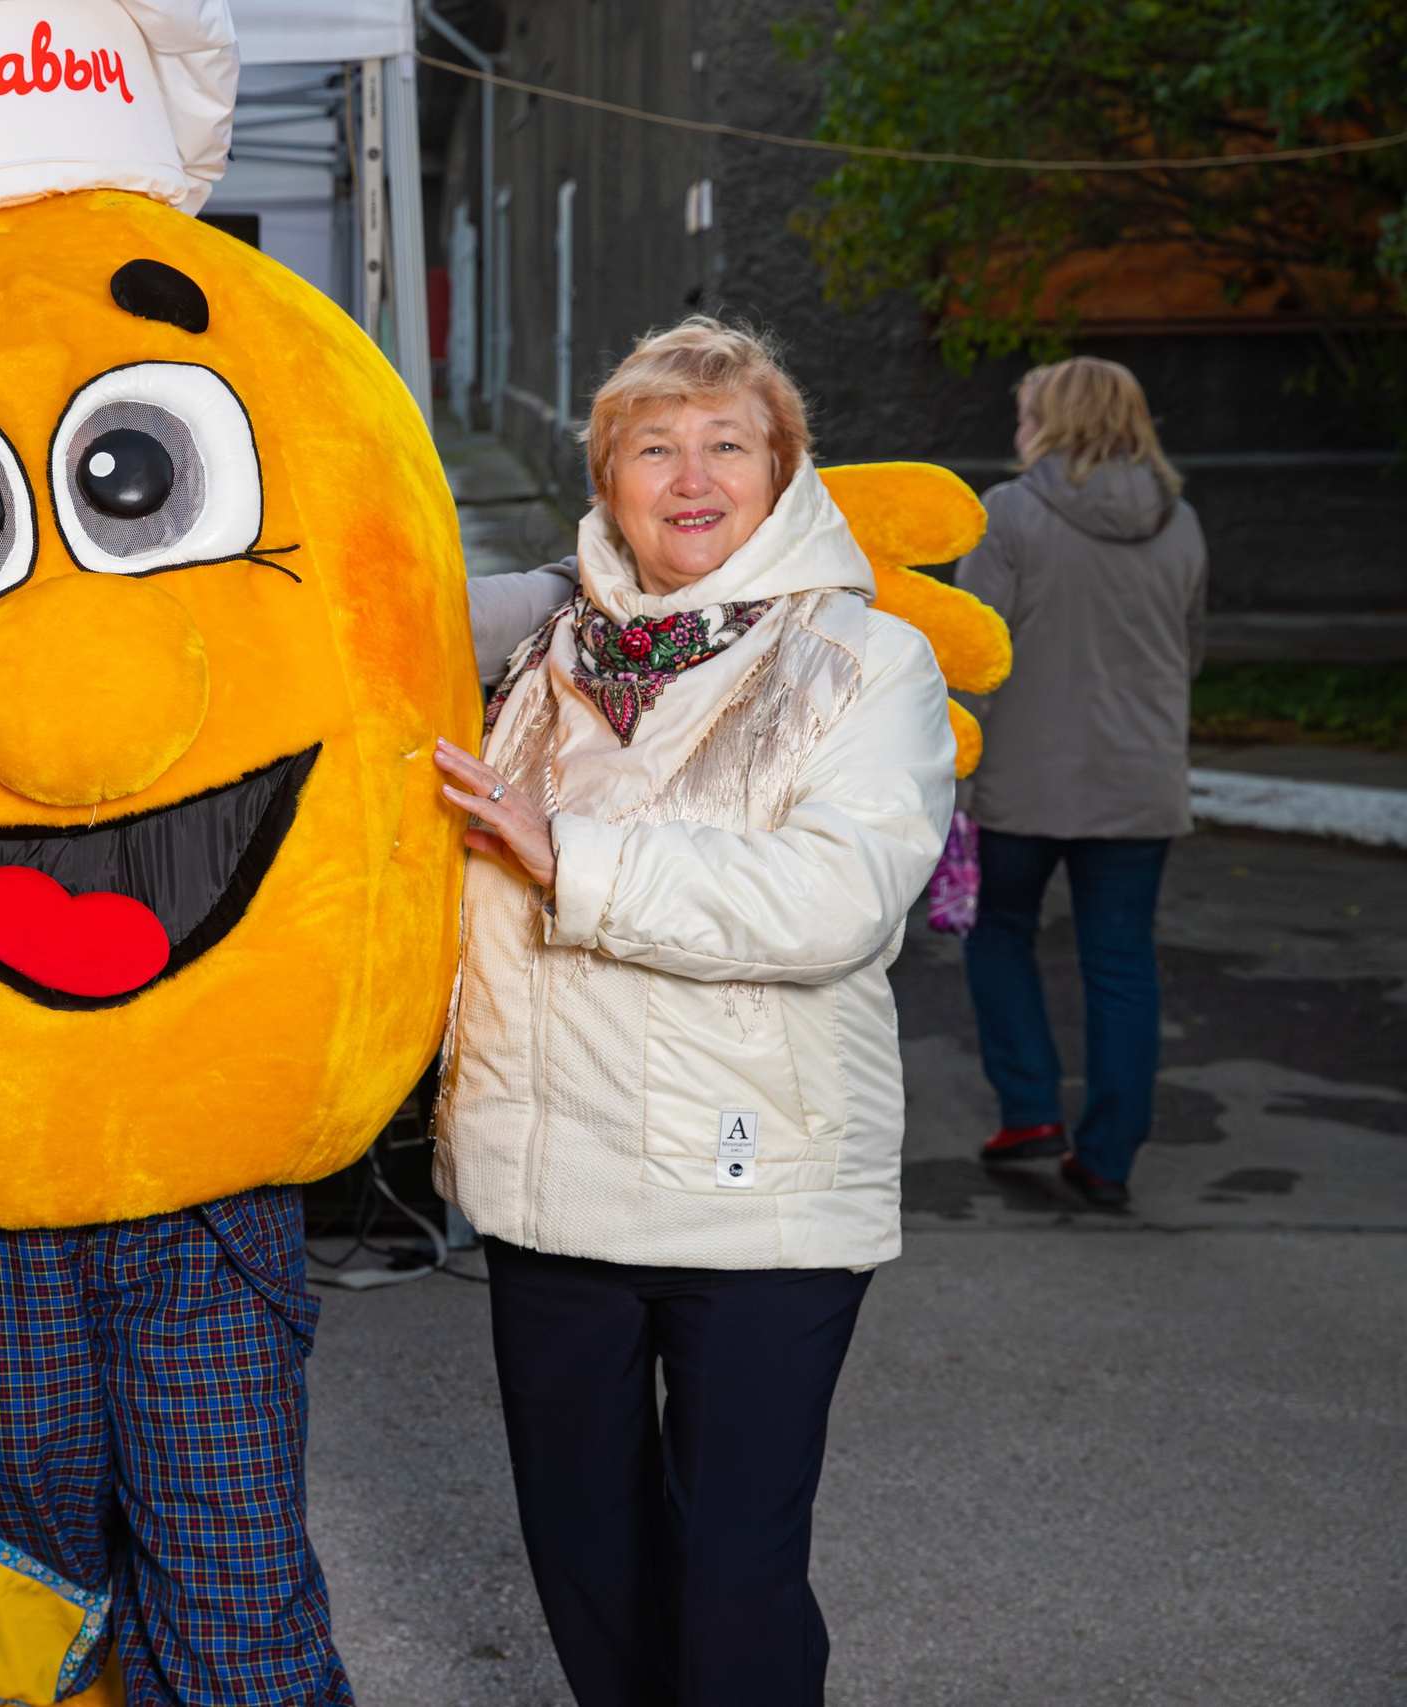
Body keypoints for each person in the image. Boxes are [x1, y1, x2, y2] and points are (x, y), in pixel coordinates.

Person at [429, 318, 955, 1707]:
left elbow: (839, 893)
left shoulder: (866, 660)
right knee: (586, 1555)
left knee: (732, 1575)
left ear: (784, 472)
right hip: (551, 1183)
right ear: (606, 483)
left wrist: (575, 859)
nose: (692, 473)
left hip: (757, 1195)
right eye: (653, 446)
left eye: (729, 442)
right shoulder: (538, 655)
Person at [954, 356, 1206, 1208]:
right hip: (1140, 787)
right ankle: (1107, 1157)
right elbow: (1190, 652)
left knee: (997, 930)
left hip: (1023, 783)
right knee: (1123, 963)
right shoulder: (1182, 525)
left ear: (1054, 422)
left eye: (1026, 413)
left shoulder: (1010, 515)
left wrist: (947, 762)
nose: (1017, 429)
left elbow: (973, 657)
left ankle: (1028, 1106)